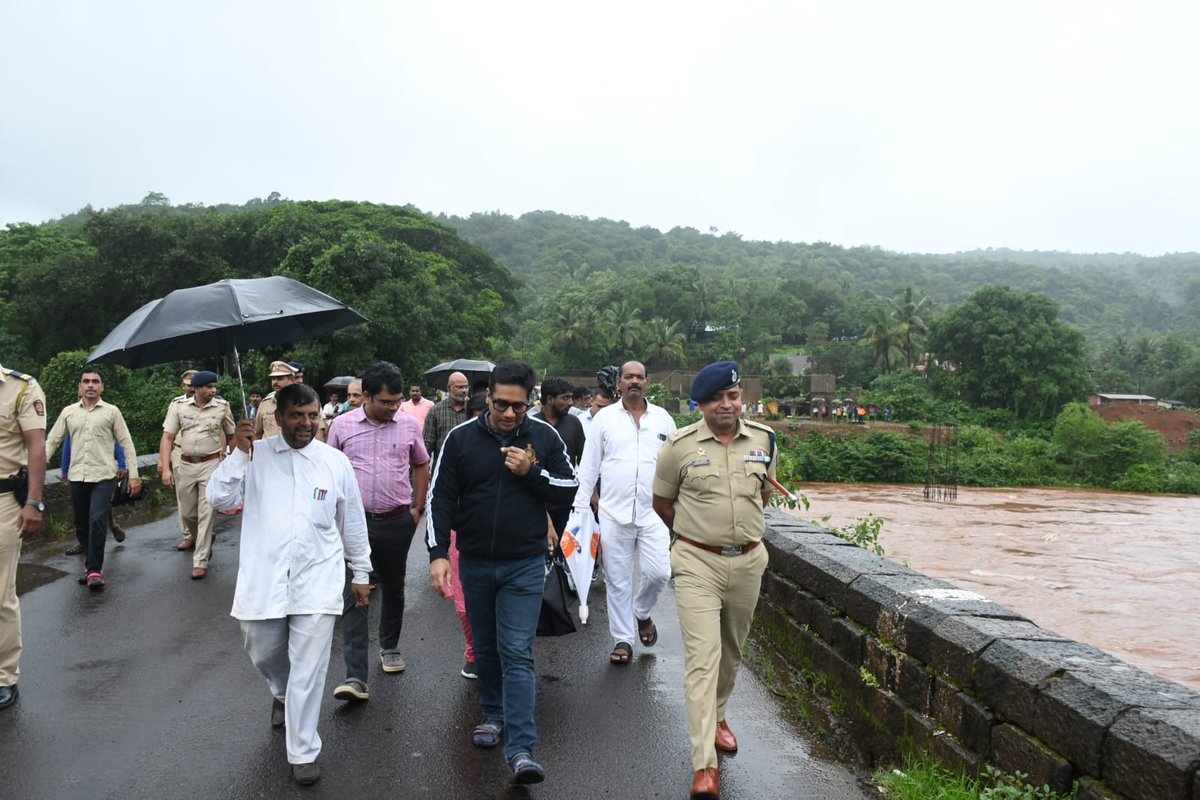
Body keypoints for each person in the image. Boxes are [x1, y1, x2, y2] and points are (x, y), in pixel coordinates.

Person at [206, 383, 371, 786]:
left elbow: (351, 520)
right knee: (262, 649)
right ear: (278, 417)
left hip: (318, 577)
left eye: (312, 415)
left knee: (309, 669)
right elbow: (219, 499)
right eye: (297, 415)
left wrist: (361, 572)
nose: (306, 422)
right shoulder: (254, 455)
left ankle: (302, 751)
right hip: (264, 577)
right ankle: (281, 694)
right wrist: (238, 453)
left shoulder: (334, 462)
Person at [426, 360, 578, 785]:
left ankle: (522, 749)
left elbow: (570, 487)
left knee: (516, 650)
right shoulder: (460, 439)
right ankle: (492, 715)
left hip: (524, 562)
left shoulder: (543, 437)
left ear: (530, 402)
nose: (510, 414)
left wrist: (533, 474)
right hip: (473, 561)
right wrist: (439, 553)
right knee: (488, 648)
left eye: (519, 407)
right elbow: (440, 497)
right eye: (502, 404)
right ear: (488, 395)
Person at [651, 361, 777, 800]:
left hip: (747, 562)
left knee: (731, 652)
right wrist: (696, 536)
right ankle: (704, 764)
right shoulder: (679, 446)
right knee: (702, 662)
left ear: (741, 397)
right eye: (716, 398)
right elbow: (662, 502)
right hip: (696, 562)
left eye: (733, 396)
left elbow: (760, 496)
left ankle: (720, 715)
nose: (726, 405)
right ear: (700, 404)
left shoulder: (765, 439)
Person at [326, 362, 429, 701]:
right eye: (386, 402)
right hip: (353, 525)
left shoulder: (409, 426)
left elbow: (420, 463)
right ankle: (356, 676)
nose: (394, 407)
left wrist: (417, 508)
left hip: (397, 520)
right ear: (366, 397)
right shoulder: (341, 426)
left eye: (397, 401)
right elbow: (329, 472)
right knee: (355, 593)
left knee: (394, 586)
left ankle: (390, 646)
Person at [573, 361, 675, 665]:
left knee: (659, 573)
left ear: (647, 383)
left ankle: (642, 612)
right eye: (628, 377)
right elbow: (589, 466)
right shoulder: (604, 419)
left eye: (639, 377)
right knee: (617, 580)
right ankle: (622, 638)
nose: (634, 381)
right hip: (613, 513)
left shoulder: (663, 419)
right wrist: (580, 509)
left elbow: (675, 463)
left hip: (654, 512)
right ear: (619, 383)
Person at [45, 369, 140, 590]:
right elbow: (52, 440)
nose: (90, 385)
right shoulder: (69, 413)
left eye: (95, 382)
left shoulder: (112, 412)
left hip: (103, 476)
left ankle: (95, 570)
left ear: (101, 387)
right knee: (81, 524)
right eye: (86, 381)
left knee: (97, 520)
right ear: (80, 386)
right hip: (77, 477)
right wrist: (38, 467)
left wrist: (133, 475)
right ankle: (90, 566)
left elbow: (127, 444)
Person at [0, 362, 46, 711]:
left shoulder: (20, 388)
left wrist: (33, 502)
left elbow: (35, 446)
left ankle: (5, 676)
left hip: (3, 501)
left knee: (1, 593)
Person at [158, 371, 235, 579]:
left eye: (214, 387)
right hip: (185, 464)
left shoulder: (222, 407)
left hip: (211, 464)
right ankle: (206, 537)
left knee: (206, 512)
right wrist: (165, 468)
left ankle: (200, 560)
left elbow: (231, 435)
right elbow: (167, 437)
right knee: (188, 513)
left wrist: (235, 465)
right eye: (209, 387)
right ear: (197, 389)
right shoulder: (179, 407)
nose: (213, 391)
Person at [529, 377, 586, 466]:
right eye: (566, 398)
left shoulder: (574, 423)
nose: (571, 402)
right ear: (550, 399)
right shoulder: (532, 424)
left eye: (571, 397)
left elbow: (584, 460)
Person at [423, 371, 470, 469]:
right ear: (448, 388)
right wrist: (424, 468)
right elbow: (427, 443)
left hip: (468, 467)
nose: (464, 390)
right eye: (460, 387)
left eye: (466, 387)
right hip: (442, 467)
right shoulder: (436, 410)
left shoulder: (472, 409)